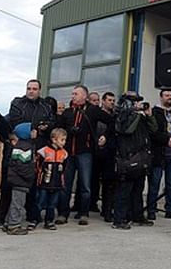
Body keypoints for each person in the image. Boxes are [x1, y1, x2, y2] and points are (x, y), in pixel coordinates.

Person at [57, 85, 110, 226]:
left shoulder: (93, 110)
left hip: (85, 152)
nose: (73, 96)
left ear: (84, 96)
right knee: (65, 185)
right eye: (72, 93)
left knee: (85, 185)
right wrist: (69, 131)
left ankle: (84, 213)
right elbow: (59, 128)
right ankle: (63, 213)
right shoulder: (68, 112)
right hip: (68, 153)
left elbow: (110, 121)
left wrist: (105, 136)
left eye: (76, 93)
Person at [6, 79, 53, 228]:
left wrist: (42, 128)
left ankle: (33, 216)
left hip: (38, 148)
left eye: (34, 88)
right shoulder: (18, 103)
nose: (31, 91)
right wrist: (34, 127)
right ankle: (7, 218)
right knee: (15, 183)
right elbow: (15, 122)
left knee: (35, 184)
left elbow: (52, 122)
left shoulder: (45, 106)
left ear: (40, 90)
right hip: (20, 147)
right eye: (29, 88)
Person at [112, 92, 156, 230]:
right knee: (124, 190)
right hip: (128, 157)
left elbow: (154, 129)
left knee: (138, 188)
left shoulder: (140, 117)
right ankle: (119, 219)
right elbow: (127, 129)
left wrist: (149, 116)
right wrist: (136, 113)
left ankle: (137, 216)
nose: (138, 104)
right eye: (135, 101)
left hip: (141, 157)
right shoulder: (121, 115)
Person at [147, 90, 171, 220]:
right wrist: (166, 140)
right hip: (159, 153)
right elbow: (153, 131)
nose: (169, 98)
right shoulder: (155, 111)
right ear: (161, 97)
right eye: (167, 95)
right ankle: (151, 209)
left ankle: (170, 209)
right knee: (155, 183)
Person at [5, 123, 35, 235]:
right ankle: (14, 225)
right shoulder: (24, 147)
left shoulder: (21, 145)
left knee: (15, 202)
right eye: (32, 130)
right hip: (20, 181)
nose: (35, 132)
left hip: (18, 179)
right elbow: (21, 165)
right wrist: (30, 176)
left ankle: (9, 222)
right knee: (18, 204)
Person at [35, 128, 68, 230]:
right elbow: (37, 165)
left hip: (57, 183)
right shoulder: (43, 151)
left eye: (65, 140)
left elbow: (64, 168)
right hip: (44, 183)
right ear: (54, 140)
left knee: (52, 204)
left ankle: (49, 221)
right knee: (40, 203)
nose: (64, 142)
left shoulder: (64, 154)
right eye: (62, 140)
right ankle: (34, 219)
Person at [95, 91, 118, 223]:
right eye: (109, 100)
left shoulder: (115, 116)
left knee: (109, 183)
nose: (112, 102)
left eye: (113, 100)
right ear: (103, 101)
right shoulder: (97, 115)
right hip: (98, 151)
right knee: (95, 181)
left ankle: (107, 209)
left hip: (110, 153)